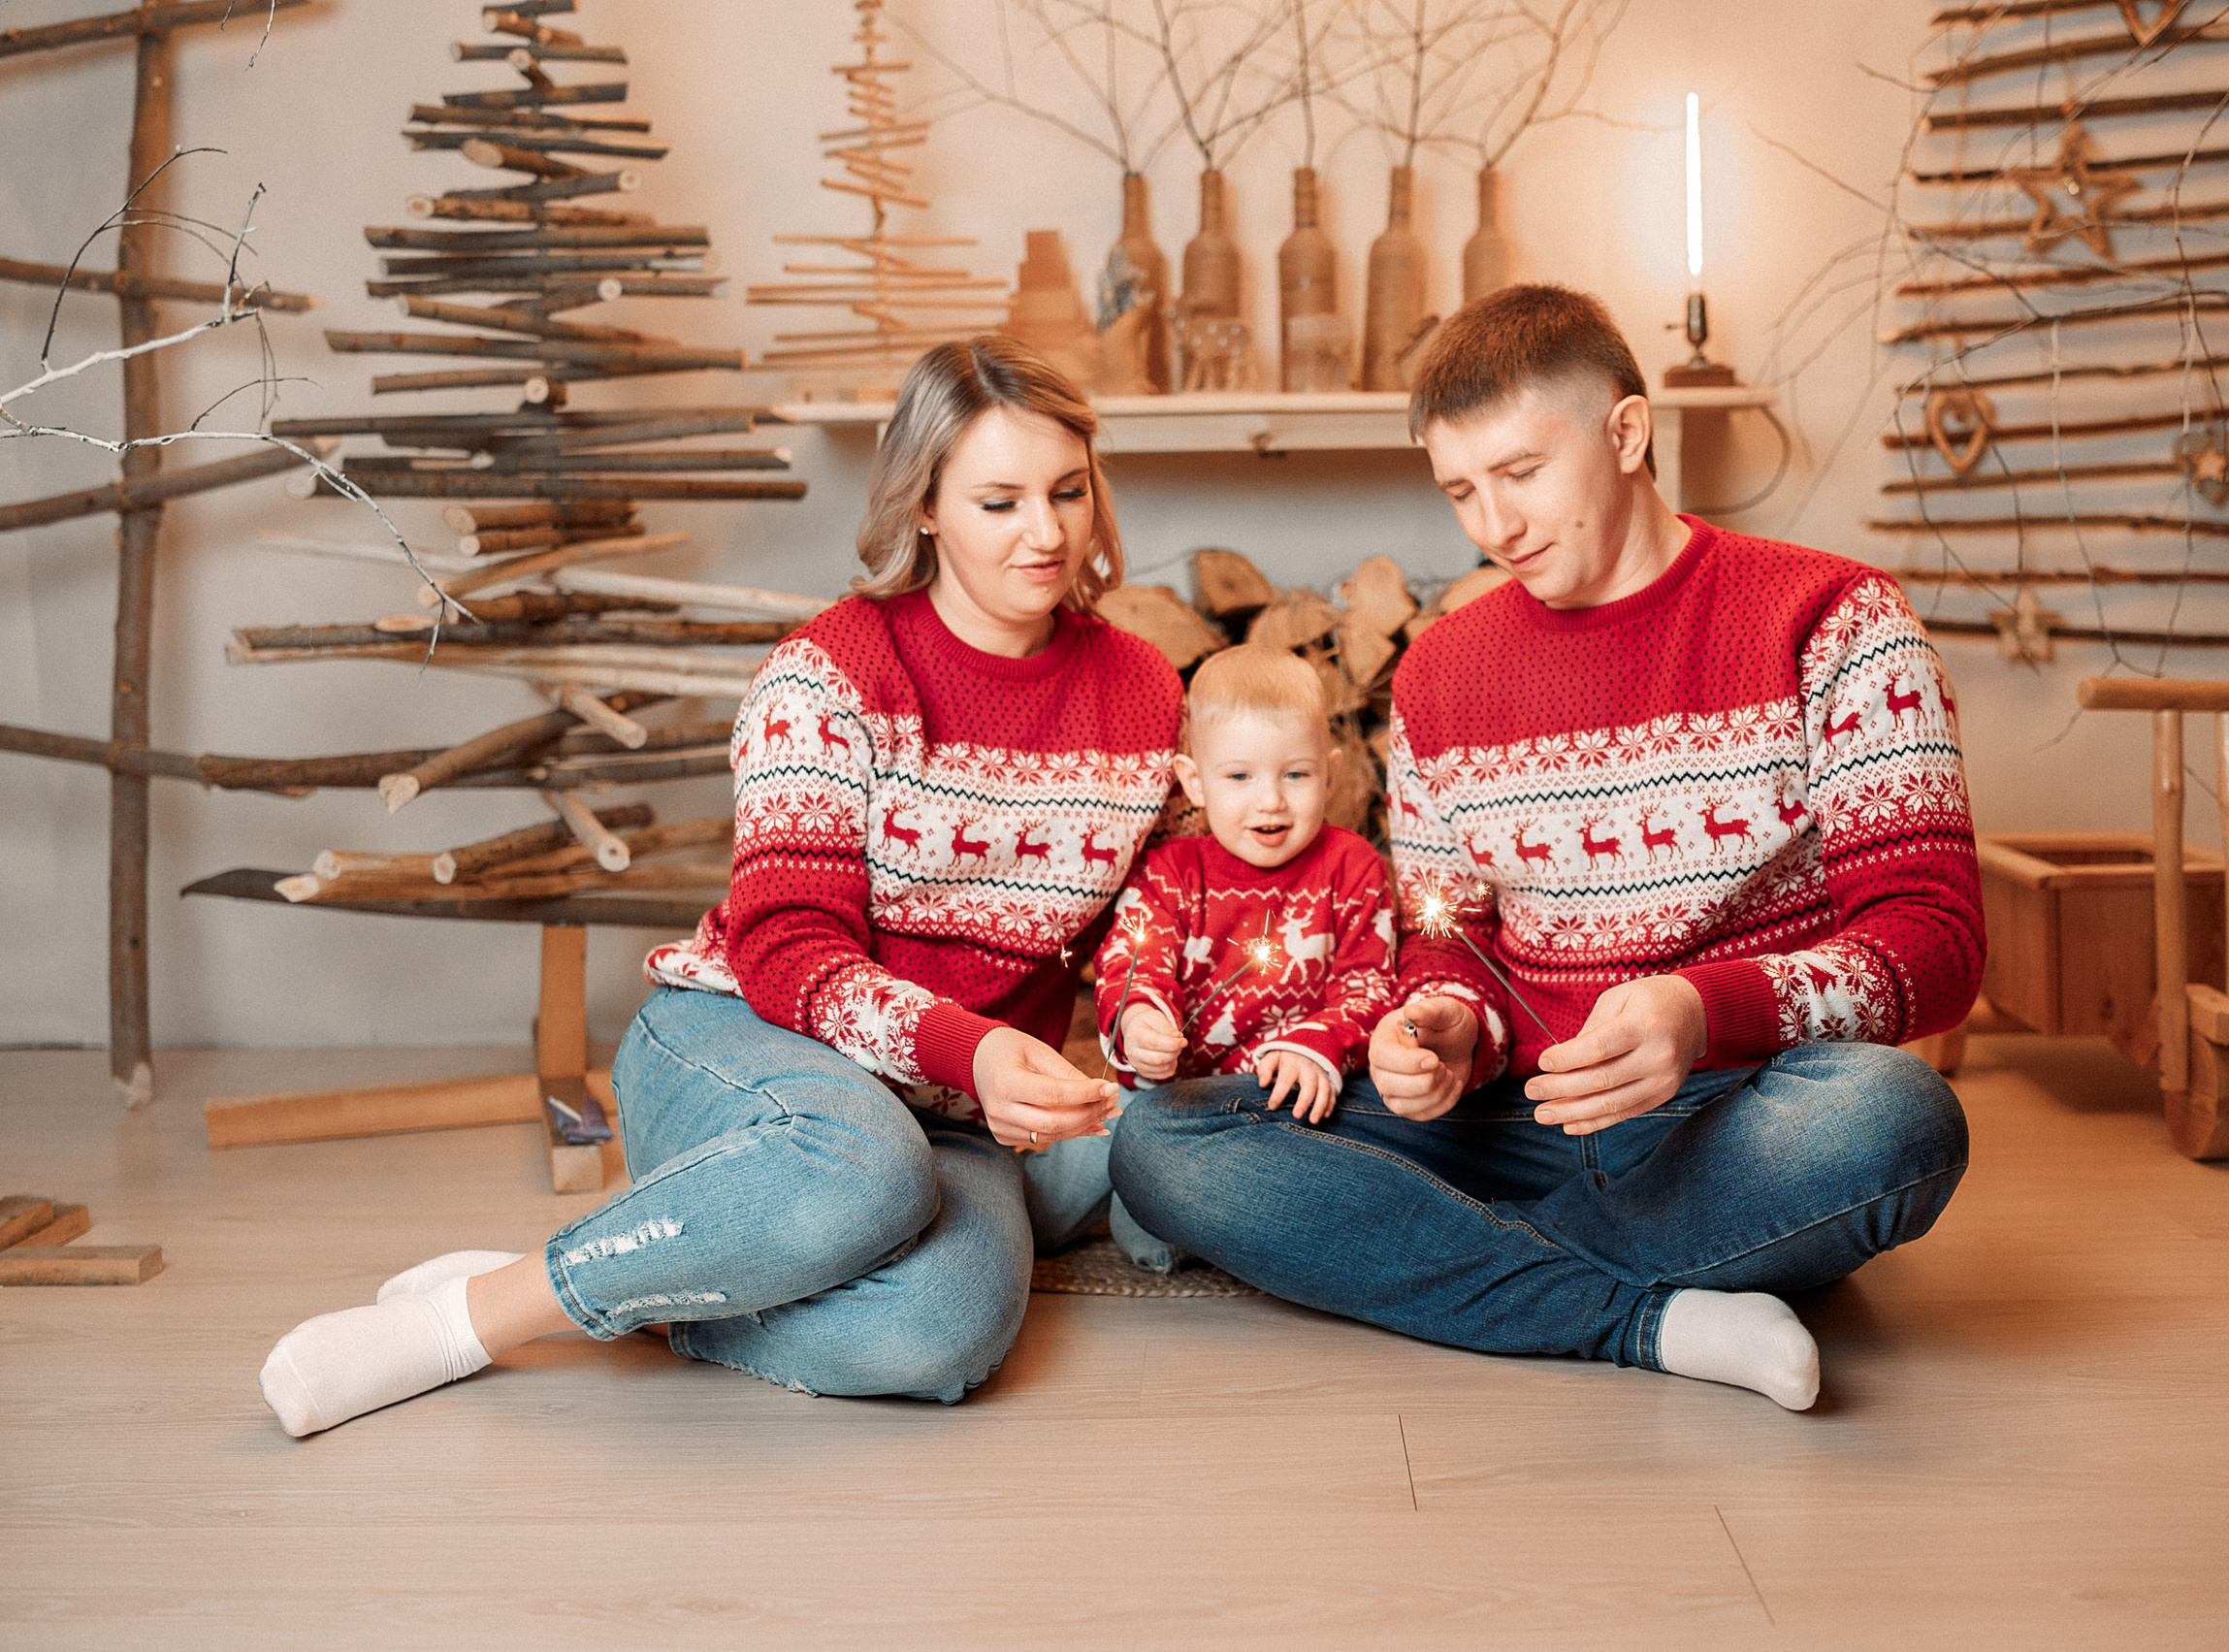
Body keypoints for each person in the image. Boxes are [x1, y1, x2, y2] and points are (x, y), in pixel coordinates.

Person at [259, 338, 1180, 1437]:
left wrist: (1143, 1004)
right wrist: (970, 1044)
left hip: (956, 1113)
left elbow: (1166, 908)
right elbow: (788, 946)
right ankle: (473, 1315)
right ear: (924, 506)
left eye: (1068, 491)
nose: (1047, 531)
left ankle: (655, 1284)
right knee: (868, 1168)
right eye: (999, 501)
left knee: (942, 1332)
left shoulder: (1139, 687)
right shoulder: (828, 675)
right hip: (743, 1045)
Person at [1111, 285, 1983, 1410]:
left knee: (1895, 1118)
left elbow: (1935, 941)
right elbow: (1445, 938)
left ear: (1627, 432)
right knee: (1163, 1140)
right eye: (1461, 490)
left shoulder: (1837, 622)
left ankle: (1456, 1259)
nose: (1492, 526)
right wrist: (1436, 1030)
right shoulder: (1437, 673)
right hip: (1514, 1118)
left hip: (1733, 1114)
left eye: (1521, 474)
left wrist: (1699, 1011)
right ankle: (1648, 1315)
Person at [1087, 644, 1397, 1267]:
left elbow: (1372, 987)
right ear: (1193, 781)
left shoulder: (1352, 868)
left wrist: (1320, 1042)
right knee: (1103, 1192)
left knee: (1363, 1146)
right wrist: (1142, 1019)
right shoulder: (1171, 874)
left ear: (1331, 774)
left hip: (1294, 1107)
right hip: (1173, 1105)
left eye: (1295, 774)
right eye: (1239, 777)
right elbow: (1132, 958)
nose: (1271, 802)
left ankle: (1249, 1225)